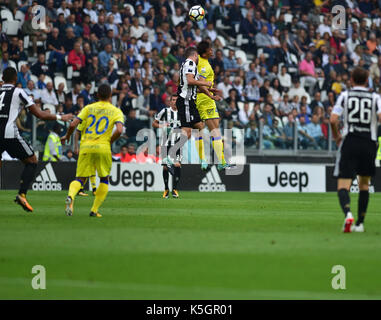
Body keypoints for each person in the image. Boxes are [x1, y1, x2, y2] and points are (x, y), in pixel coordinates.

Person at [0, 67, 72, 212]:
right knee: (32, 161)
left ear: (3, 79)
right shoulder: (19, 91)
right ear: (15, 79)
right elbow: (39, 115)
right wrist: (60, 117)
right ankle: (22, 194)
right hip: (8, 133)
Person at [330, 67, 381, 233]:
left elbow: (333, 119)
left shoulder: (345, 96)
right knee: (364, 185)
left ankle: (348, 213)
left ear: (351, 79)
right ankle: (360, 223)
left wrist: (337, 136)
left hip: (350, 141)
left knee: (343, 185)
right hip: (368, 142)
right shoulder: (375, 98)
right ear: (367, 80)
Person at [61, 84, 124, 218]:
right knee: (104, 179)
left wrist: (67, 136)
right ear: (110, 96)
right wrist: (109, 141)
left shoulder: (88, 108)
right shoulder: (116, 111)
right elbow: (119, 130)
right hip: (103, 147)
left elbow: (73, 124)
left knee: (80, 179)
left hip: (86, 146)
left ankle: (71, 196)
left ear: (97, 95)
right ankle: (94, 210)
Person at [164, 46, 215, 175]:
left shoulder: (187, 65)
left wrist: (210, 94)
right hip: (186, 101)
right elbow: (190, 80)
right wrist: (206, 83)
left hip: (189, 102)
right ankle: (169, 155)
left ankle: (203, 159)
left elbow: (191, 85)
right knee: (187, 132)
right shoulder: (190, 63)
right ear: (196, 55)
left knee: (199, 126)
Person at [196, 41, 230, 171]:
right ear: (205, 52)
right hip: (205, 100)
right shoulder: (204, 65)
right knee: (214, 131)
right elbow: (201, 85)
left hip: (205, 99)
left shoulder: (200, 61)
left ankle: (206, 159)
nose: (213, 51)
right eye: (210, 50)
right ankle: (219, 160)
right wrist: (210, 93)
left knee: (204, 129)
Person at [152, 94, 181, 199]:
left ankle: (175, 189)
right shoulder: (165, 111)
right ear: (170, 102)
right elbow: (154, 123)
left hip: (177, 143)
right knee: (165, 166)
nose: (174, 102)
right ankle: (166, 189)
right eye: (173, 100)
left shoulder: (182, 112)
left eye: (176, 100)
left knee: (177, 165)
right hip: (165, 143)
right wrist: (162, 126)